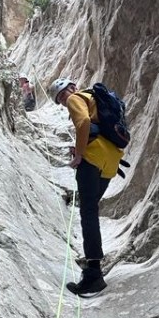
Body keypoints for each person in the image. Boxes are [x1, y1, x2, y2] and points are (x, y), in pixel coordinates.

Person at [48, 77, 124, 296]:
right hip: (112, 161)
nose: (64, 103)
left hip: (93, 157)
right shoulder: (94, 97)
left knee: (87, 212)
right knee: (91, 209)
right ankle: (93, 264)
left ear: (64, 93)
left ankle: (93, 273)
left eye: (61, 100)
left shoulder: (74, 99)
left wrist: (79, 154)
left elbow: (83, 123)